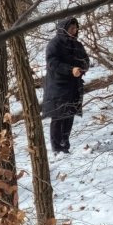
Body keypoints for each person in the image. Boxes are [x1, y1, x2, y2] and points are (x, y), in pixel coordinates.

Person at [41, 17, 89, 155]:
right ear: (64, 28)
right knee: (58, 116)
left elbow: (85, 60)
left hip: (74, 86)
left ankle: (65, 144)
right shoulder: (54, 44)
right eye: (71, 28)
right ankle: (57, 147)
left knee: (69, 115)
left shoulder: (77, 45)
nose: (74, 31)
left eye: (75, 28)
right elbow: (52, 63)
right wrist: (70, 69)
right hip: (58, 87)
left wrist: (82, 68)